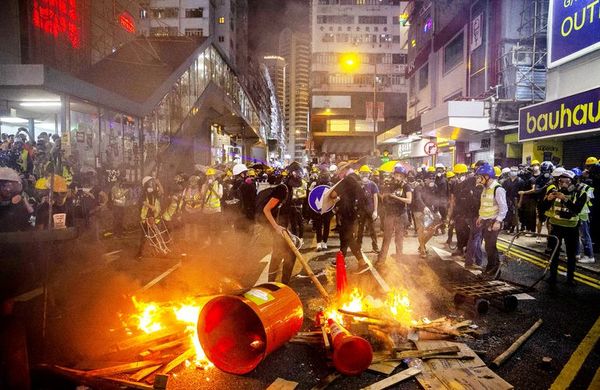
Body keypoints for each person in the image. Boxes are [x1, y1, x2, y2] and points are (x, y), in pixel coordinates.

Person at [543, 170, 587, 286]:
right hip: (556, 226)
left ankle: (570, 278)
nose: (563, 184)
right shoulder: (555, 191)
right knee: (554, 253)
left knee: (571, 254)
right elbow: (542, 208)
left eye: (566, 181)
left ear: (573, 182)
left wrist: (565, 199)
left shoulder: (580, 193)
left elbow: (576, 209)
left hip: (571, 228)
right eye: (561, 181)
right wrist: (548, 200)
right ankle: (552, 277)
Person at [328, 162, 370, 273]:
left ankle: (362, 263)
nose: (338, 173)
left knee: (348, 237)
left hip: (349, 213)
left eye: (339, 171)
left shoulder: (347, 180)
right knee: (345, 237)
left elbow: (333, 194)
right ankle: (341, 261)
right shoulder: (355, 178)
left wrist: (332, 194)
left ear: (344, 170)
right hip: (356, 212)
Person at [475, 163, 508, 275]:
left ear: (487, 176)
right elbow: (484, 204)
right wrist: (480, 217)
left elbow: (504, 207)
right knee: (489, 246)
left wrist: (498, 221)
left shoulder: (498, 189)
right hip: (485, 221)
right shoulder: (485, 188)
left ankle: (492, 269)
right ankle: (493, 268)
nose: (478, 179)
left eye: (480, 176)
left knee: (490, 246)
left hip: (493, 222)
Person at [262, 172, 295, 284]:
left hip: (285, 228)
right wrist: (276, 227)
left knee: (290, 256)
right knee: (277, 255)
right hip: (278, 229)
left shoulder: (290, 189)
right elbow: (266, 209)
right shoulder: (282, 189)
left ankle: (285, 285)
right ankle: (270, 284)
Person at [378, 165, 412, 264]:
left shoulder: (406, 186)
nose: (398, 177)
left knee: (399, 238)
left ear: (404, 177)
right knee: (387, 237)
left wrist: (396, 198)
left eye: (401, 176)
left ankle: (399, 258)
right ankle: (382, 258)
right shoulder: (389, 185)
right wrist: (385, 195)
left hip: (400, 215)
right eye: (397, 175)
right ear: (394, 175)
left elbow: (409, 200)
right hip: (389, 214)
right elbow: (382, 197)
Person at [571, 168, 595, 264]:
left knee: (585, 235)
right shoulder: (573, 187)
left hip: (583, 214)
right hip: (575, 214)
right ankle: (576, 254)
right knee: (575, 235)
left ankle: (589, 255)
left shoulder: (586, 187)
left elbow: (586, 200)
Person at [0, 167, 33, 232]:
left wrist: (27, 205)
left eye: (11, 185)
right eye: (3, 185)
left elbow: (32, 223)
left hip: (17, 238)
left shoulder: (20, 203)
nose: (8, 189)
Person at [357, 165, 380, 253]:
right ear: (360, 174)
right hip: (361, 210)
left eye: (366, 173)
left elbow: (375, 198)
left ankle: (375, 247)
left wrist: (375, 210)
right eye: (363, 173)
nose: (364, 175)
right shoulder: (358, 184)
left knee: (372, 229)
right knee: (360, 229)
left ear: (369, 174)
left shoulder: (372, 184)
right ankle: (358, 246)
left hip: (370, 210)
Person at [311, 166, 333, 250]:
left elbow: (333, 195)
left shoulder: (330, 184)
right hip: (318, 208)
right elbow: (311, 196)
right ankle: (319, 242)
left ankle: (324, 242)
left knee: (325, 226)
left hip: (327, 208)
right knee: (319, 226)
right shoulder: (315, 184)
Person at [450, 164, 471, 256]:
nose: (459, 177)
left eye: (461, 174)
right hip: (458, 212)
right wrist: (452, 215)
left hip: (467, 213)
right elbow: (455, 201)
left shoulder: (470, 184)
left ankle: (467, 249)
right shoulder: (456, 185)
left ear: (465, 174)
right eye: (457, 175)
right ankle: (459, 248)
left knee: (466, 232)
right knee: (458, 230)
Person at [502, 167, 524, 234]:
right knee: (508, 215)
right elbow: (503, 192)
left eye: (515, 171)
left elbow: (521, 193)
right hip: (507, 200)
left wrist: (520, 202)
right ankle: (507, 227)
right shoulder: (506, 181)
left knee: (515, 215)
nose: (513, 172)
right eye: (512, 170)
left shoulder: (520, 181)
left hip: (516, 200)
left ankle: (513, 228)